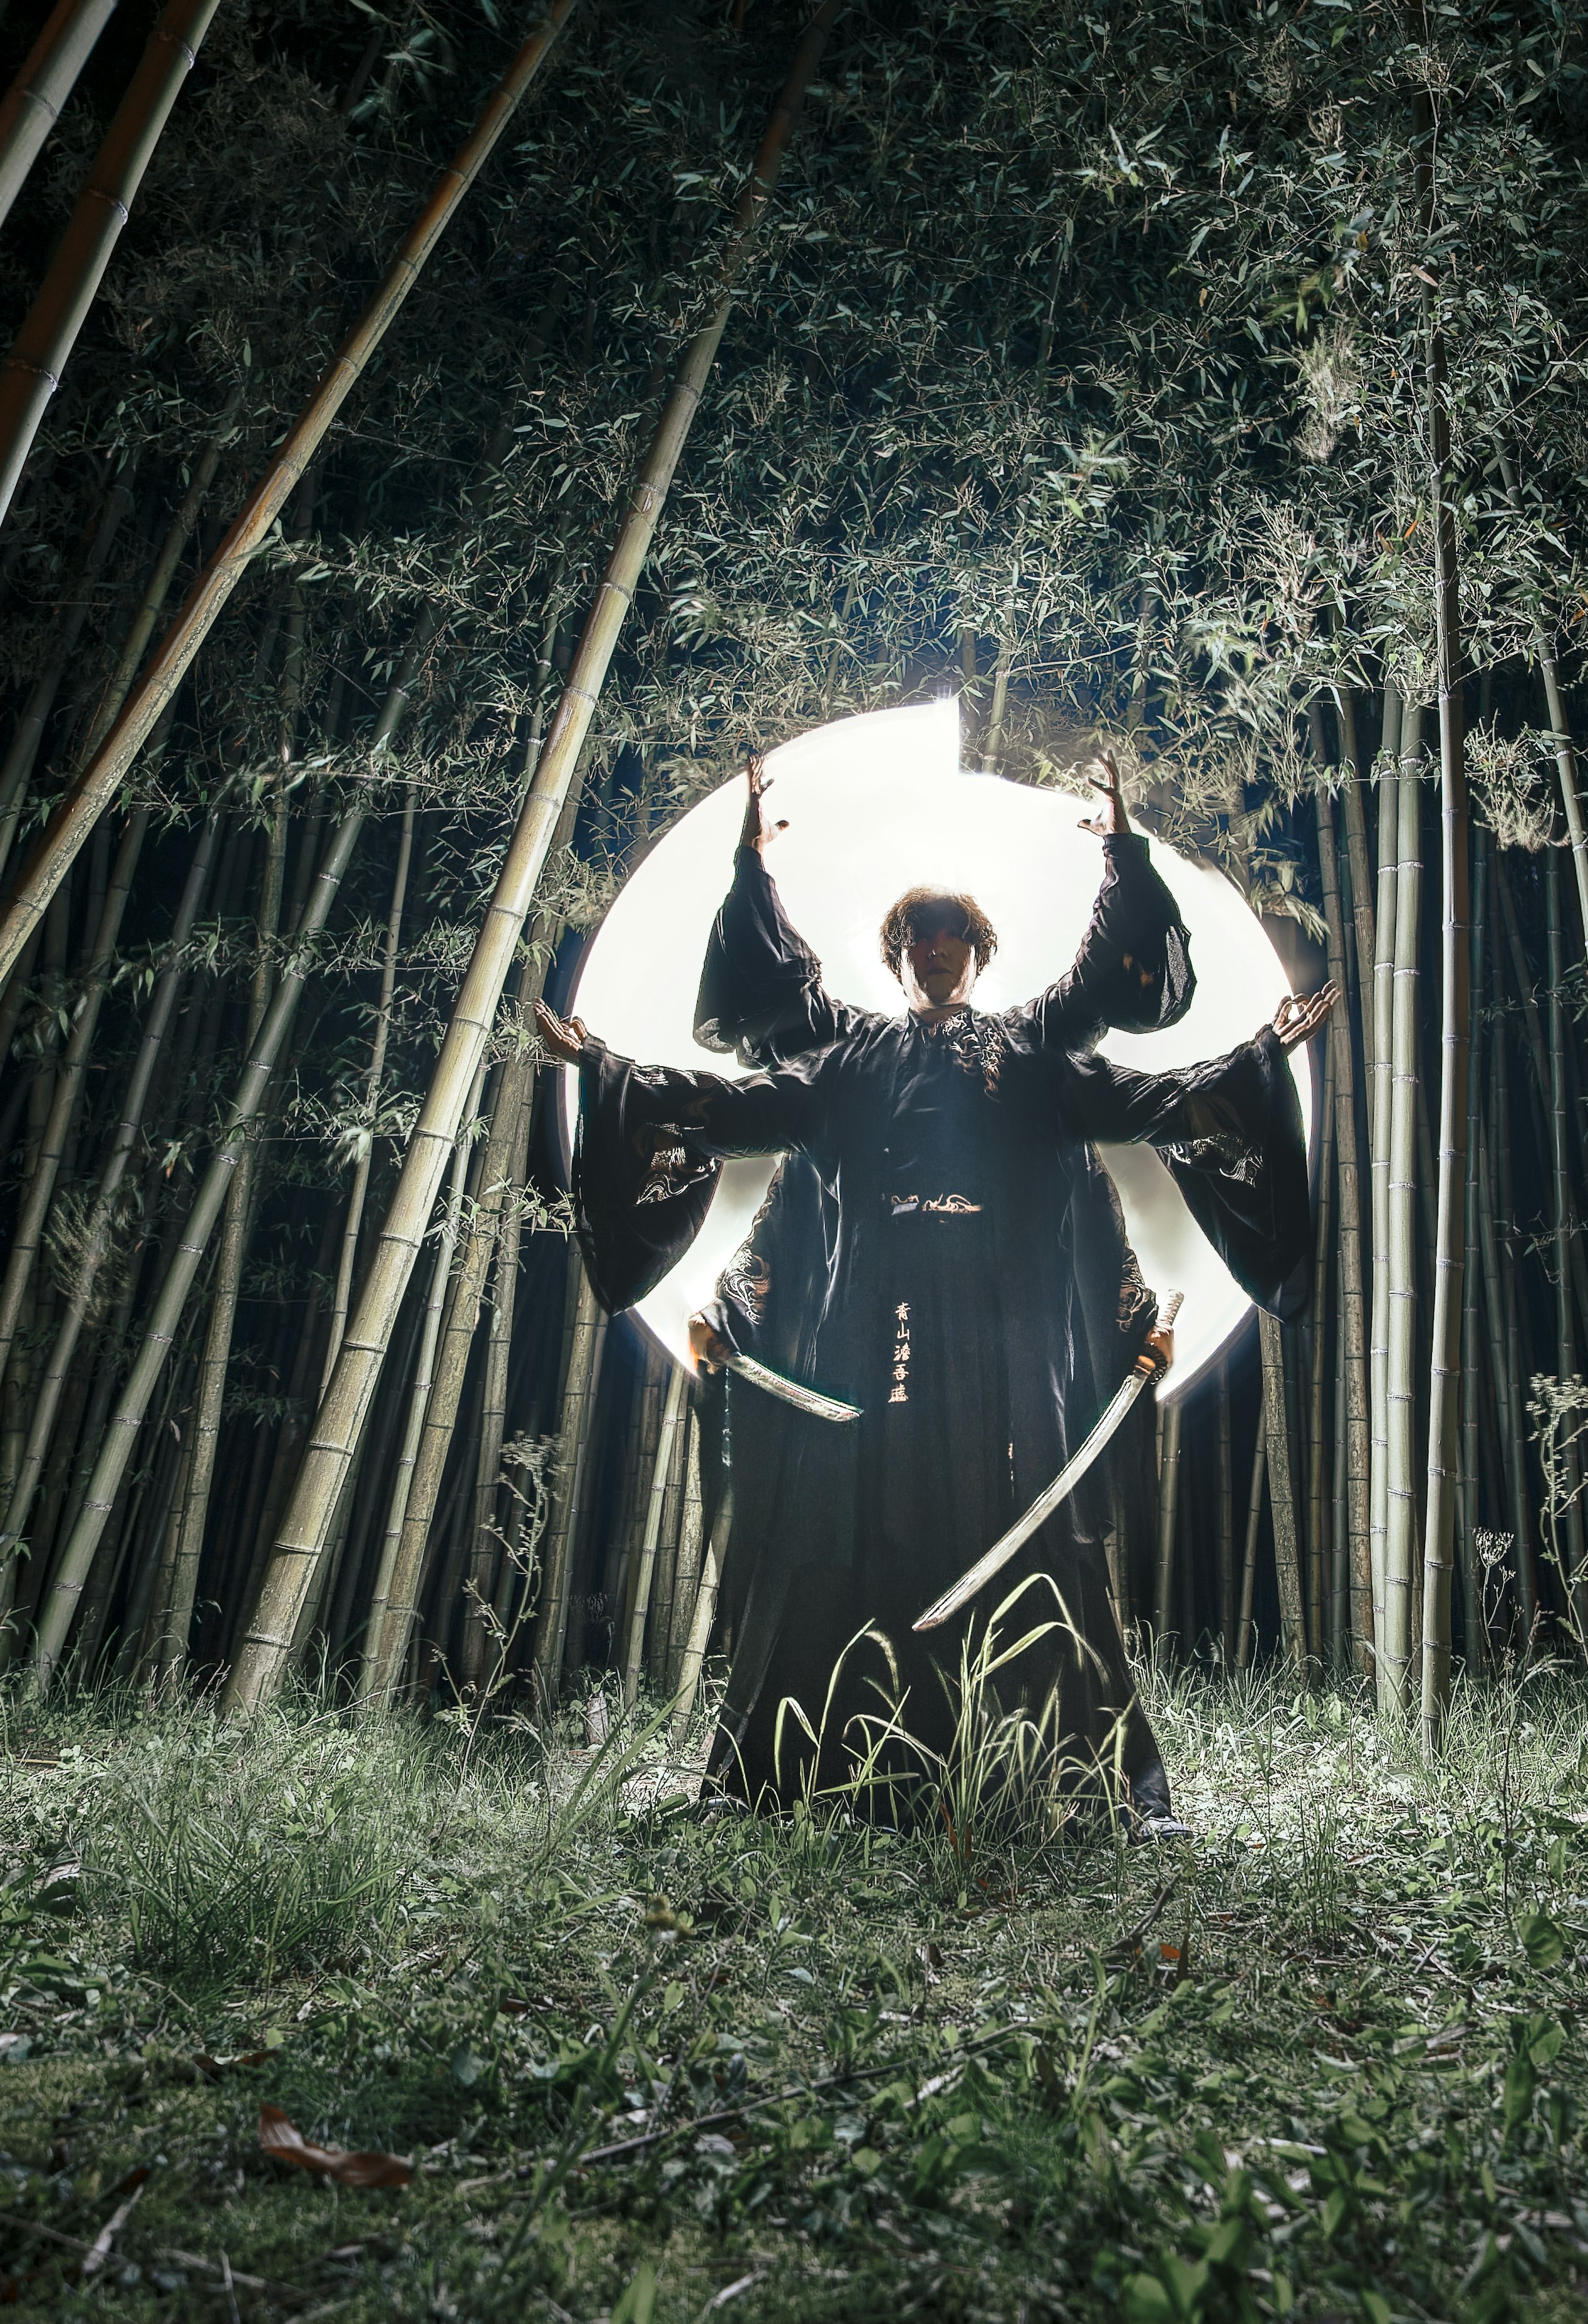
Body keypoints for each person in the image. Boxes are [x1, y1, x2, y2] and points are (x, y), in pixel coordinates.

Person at [534, 750, 1334, 1823]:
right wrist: (607, 1063)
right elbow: (733, 1106)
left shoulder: (1033, 1046)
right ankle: (833, 1768)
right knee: (852, 1529)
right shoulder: (852, 1054)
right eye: (920, 938)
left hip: (1009, 1336)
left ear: (979, 954)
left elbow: (1146, 1080)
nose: (937, 954)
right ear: (899, 955)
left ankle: (1062, 1772)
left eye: (955, 938)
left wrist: (1139, 882)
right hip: (871, 1330)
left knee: (1030, 1532)